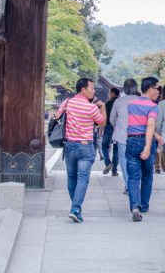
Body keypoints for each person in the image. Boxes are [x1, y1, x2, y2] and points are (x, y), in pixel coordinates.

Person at [54, 77, 106, 223]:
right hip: (85, 146)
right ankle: (75, 208)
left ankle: (75, 208)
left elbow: (57, 116)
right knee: (83, 178)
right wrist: (102, 107)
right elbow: (101, 123)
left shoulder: (67, 102)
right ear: (83, 89)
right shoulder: (91, 107)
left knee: (71, 178)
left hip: (69, 145)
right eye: (92, 88)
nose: (94, 91)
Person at [126, 76, 160, 221]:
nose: (159, 91)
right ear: (151, 89)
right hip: (146, 141)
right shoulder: (153, 106)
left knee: (133, 177)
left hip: (132, 140)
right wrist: (147, 146)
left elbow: (139, 123)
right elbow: (149, 125)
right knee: (147, 176)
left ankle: (135, 206)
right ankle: (144, 206)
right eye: (157, 88)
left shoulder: (131, 104)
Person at [110, 79, 139, 194]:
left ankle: (128, 186)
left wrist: (117, 126)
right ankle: (136, 185)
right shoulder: (141, 100)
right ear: (136, 88)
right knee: (136, 161)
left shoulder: (118, 101)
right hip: (138, 136)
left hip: (122, 136)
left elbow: (112, 119)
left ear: (124, 88)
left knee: (124, 161)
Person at [101, 87, 121, 176]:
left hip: (109, 126)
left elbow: (104, 118)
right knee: (116, 149)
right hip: (119, 128)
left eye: (110, 93)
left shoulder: (107, 103)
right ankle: (114, 171)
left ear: (112, 94)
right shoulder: (121, 103)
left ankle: (108, 162)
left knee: (104, 146)